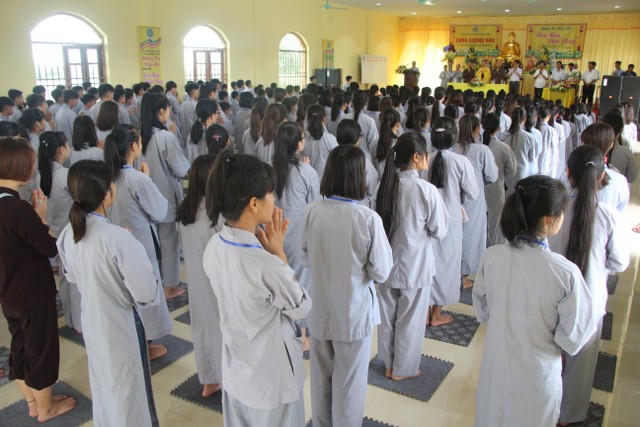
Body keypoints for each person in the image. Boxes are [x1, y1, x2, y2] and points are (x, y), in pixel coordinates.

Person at [473, 175, 598, 427]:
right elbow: (574, 336)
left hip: (496, 370)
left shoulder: (492, 256)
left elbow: (483, 311)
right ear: (550, 219)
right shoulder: (564, 273)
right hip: (536, 375)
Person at [202, 152, 311, 426]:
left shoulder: (215, 245)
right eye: (270, 193)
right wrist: (279, 254)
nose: (274, 199)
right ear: (253, 203)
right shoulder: (264, 264)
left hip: (237, 371)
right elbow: (301, 306)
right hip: (271, 380)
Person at [57, 160, 163, 426]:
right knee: (129, 390)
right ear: (107, 194)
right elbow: (147, 294)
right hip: (120, 325)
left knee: (105, 385)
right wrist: (130, 247)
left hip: (93, 321)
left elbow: (72, 275)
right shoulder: (117, 238)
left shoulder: (69, 233)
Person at [301, 144, 391, 427]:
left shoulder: (311, 211)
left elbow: (304, 257)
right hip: (352, 313)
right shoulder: (367, 218)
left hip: (319, 309)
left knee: (320, 383)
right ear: (358, 177)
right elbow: (381, 271)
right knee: (349, 387)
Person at [547, 145, 630, 425]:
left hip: (553, 293)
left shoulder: (555, 209)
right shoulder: (609, 216)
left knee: (548, 354)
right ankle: (567, 417)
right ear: (601, 177)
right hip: (590, 298)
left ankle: (542, 406)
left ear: (568, 173)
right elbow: (619, 262)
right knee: (580, 367)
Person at [0, 136, 77, 422]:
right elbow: (48, 248)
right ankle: (46, 409)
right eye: (30, 162)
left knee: (21, 345)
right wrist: (41, 218)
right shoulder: (17, 209)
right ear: (18, 166)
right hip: (32, 291)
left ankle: (34, 402)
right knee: (41, 348)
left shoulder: (8, 204)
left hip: (8, 291)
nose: (34, 167)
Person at [374, 132, 448, 380]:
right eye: (425, 153)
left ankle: (389, 364)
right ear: (416, 157)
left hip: (386, 264)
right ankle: (402, 369)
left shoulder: (384, 186)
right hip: (415, 265)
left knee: (387, 318)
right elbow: (440, 230)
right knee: (410, 320)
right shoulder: (425, 190)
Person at [104, 123, 173, 359]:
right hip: (140, 241)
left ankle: (136, 340)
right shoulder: (136, 178)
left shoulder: (108, 174)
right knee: (144, 289)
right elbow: (159, 211)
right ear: (134, 146)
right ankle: (145, 344)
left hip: (115, 239)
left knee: (125, 290)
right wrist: (147, 179)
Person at [177, 154, 224, 398]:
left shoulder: (187, 210)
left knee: (202, 329)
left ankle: (208, 380)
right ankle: (226, 381)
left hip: (195, 281)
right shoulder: (217, 214)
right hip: (217, 283)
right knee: (221, 330)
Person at [426, 117, 479, 325]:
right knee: (446, 263)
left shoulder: (424, 159)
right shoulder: (461, 162)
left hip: (427, 217)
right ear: (454, 138)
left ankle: (425, 311)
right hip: (451, 219)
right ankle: (437, 313)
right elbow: (473, 193)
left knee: (428, 262)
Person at [140, 92, 190, 300]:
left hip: (144, 196)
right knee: (169, 241)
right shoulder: (165, 137)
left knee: (152, 240)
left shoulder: (140, 136)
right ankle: (169, 285)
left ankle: (154, 281)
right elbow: (181, 168)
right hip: (165, 196)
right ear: (161, 111)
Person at [455, 115, 498, 285]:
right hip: (474, 200)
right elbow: (492, 176)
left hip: (455, 199)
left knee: (456, 236)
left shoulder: (453, 148)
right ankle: (466, 275)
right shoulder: (482, 150)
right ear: (477, 130)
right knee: (472, 238)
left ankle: (456, 273)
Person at [336, 119, 379, 206]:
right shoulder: (363, 161)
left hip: (335, 205)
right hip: (359, 205)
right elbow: (373, 188)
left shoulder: (333, 158)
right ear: (356, 139)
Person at [502, 107, 538, 196]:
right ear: (525, 119)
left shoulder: (504, 135)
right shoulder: (529, 137)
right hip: (522, 172)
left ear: (511, 117)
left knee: (508, 197)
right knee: (520, 198)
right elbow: (532, 157)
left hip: (507, 172)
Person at [303, 104, 338, 180]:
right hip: (326, 182)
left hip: (307, 181)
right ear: (324, 120)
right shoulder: (330, 139)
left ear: (307, 120)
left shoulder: (302, 140)